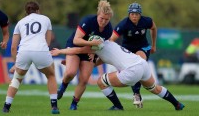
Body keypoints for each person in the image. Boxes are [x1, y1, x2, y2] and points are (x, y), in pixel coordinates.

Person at [51, 37, 185, 111]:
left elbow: (79, 50)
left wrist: (60, 52)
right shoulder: (108, 44)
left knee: (101, 82)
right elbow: (100, 60)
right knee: (154, 88)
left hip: (132, 70)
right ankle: (177, 104)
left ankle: (118, 106)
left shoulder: (96, 45)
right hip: (142, 64)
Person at [2, 1, 60, 114]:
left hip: (24, 52)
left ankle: (6, 107)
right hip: (40, 50)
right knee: (51, 75)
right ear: (38, 10)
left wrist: (15, 64)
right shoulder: (46, 19)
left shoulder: (20, 22)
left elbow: (13, 47)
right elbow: (48, 43)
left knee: (17, 78)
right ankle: (54, 107)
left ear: (26, 12)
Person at [57, 0, 113, 110]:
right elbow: (76, 40)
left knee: (84, 79)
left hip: (90, 51)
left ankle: (74, 104)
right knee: (70, 73)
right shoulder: (88, 21)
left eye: (106, 20)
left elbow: (101, 47)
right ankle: (63, 86)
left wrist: (94, 52)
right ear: (98, 15)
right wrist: (92, 44)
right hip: (75, 46)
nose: (103, 22)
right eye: (101, 18)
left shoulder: (109, 29)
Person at [109, 2, 157, 108]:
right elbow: (111, 40)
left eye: (136, 14)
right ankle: (137, 93)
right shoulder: (123, 24)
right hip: (127, 50)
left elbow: (154, 28)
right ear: (129, 14)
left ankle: (136, 94)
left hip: (143, 47)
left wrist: (153, 45)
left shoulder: (147, 21)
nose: (134, 16)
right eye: (132, 14)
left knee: (138, 63)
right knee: (134, 69)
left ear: (140, 14)